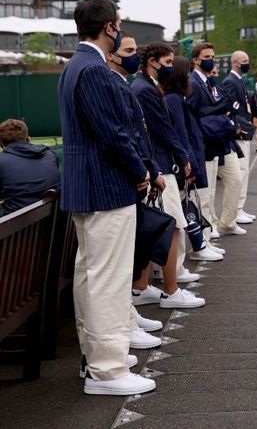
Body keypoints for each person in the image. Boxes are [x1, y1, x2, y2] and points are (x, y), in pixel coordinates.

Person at [58, 0, 155, 396]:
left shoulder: (74, 67)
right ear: (109, 28)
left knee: (92, 276)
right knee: (108, 280)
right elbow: (112, 133)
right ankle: (107, 369)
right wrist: (140, 171)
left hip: (85, 186)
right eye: (118, 24)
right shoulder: (94, 71)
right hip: (106, 185)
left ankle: (98, 358)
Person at [129, 42, 207, 310]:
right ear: (153, 61)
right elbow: (163, 129)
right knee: (171, 226)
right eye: (169, 61)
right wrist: (183, 157)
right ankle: (171, 291)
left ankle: (141, 286)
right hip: (160, 166)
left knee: (155, 227)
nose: (172, 67)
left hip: (156, 165)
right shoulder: (146, 90)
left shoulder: (142, 87)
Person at [104, 33, 168, 349]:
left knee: (126, 259)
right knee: (115, 268)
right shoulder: (116, 85)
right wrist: (144, 170)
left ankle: (127, 318)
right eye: (128, 50)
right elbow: (121, 135)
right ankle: (122, 326)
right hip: (122, 181)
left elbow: (134, 133)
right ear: (113, 55)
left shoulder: (126, 85)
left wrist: (148, 168)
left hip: (136, 175)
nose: (134, 55)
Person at [162, 56, 224, 263]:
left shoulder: (178, 98)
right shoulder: (173, 99)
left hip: (194, 154)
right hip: (188, 160)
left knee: (195, 203)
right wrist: (188, 163)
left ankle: (202, 243)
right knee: (188, 207)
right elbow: (181, 133)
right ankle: (197, 247)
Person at [188, 44, 245, 238]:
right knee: (207, 193)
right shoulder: (194, 82)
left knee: (235, 180)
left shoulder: (209, 82)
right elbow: (196, 115)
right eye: (207, 56)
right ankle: (207, 230)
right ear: (196, 59)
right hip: (207, 144)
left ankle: (226, 223)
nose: (211, 59)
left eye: (213, 56)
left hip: (220, 142)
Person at [221, 51, 257, 225]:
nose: (247, 63)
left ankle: (240, 207)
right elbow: (229, 108)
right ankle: (236, 210)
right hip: (239, 131)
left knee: (244, 170)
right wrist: (238, 128)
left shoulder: (238, 80)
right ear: (235, 63)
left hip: (244, 129)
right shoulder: (230, 81)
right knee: (240, 170)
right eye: (245, 61)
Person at [0, 119, 60, 215]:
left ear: (1, 143)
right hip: (53, 222)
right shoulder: (50, 154)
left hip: (18, 227)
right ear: (28, 138)